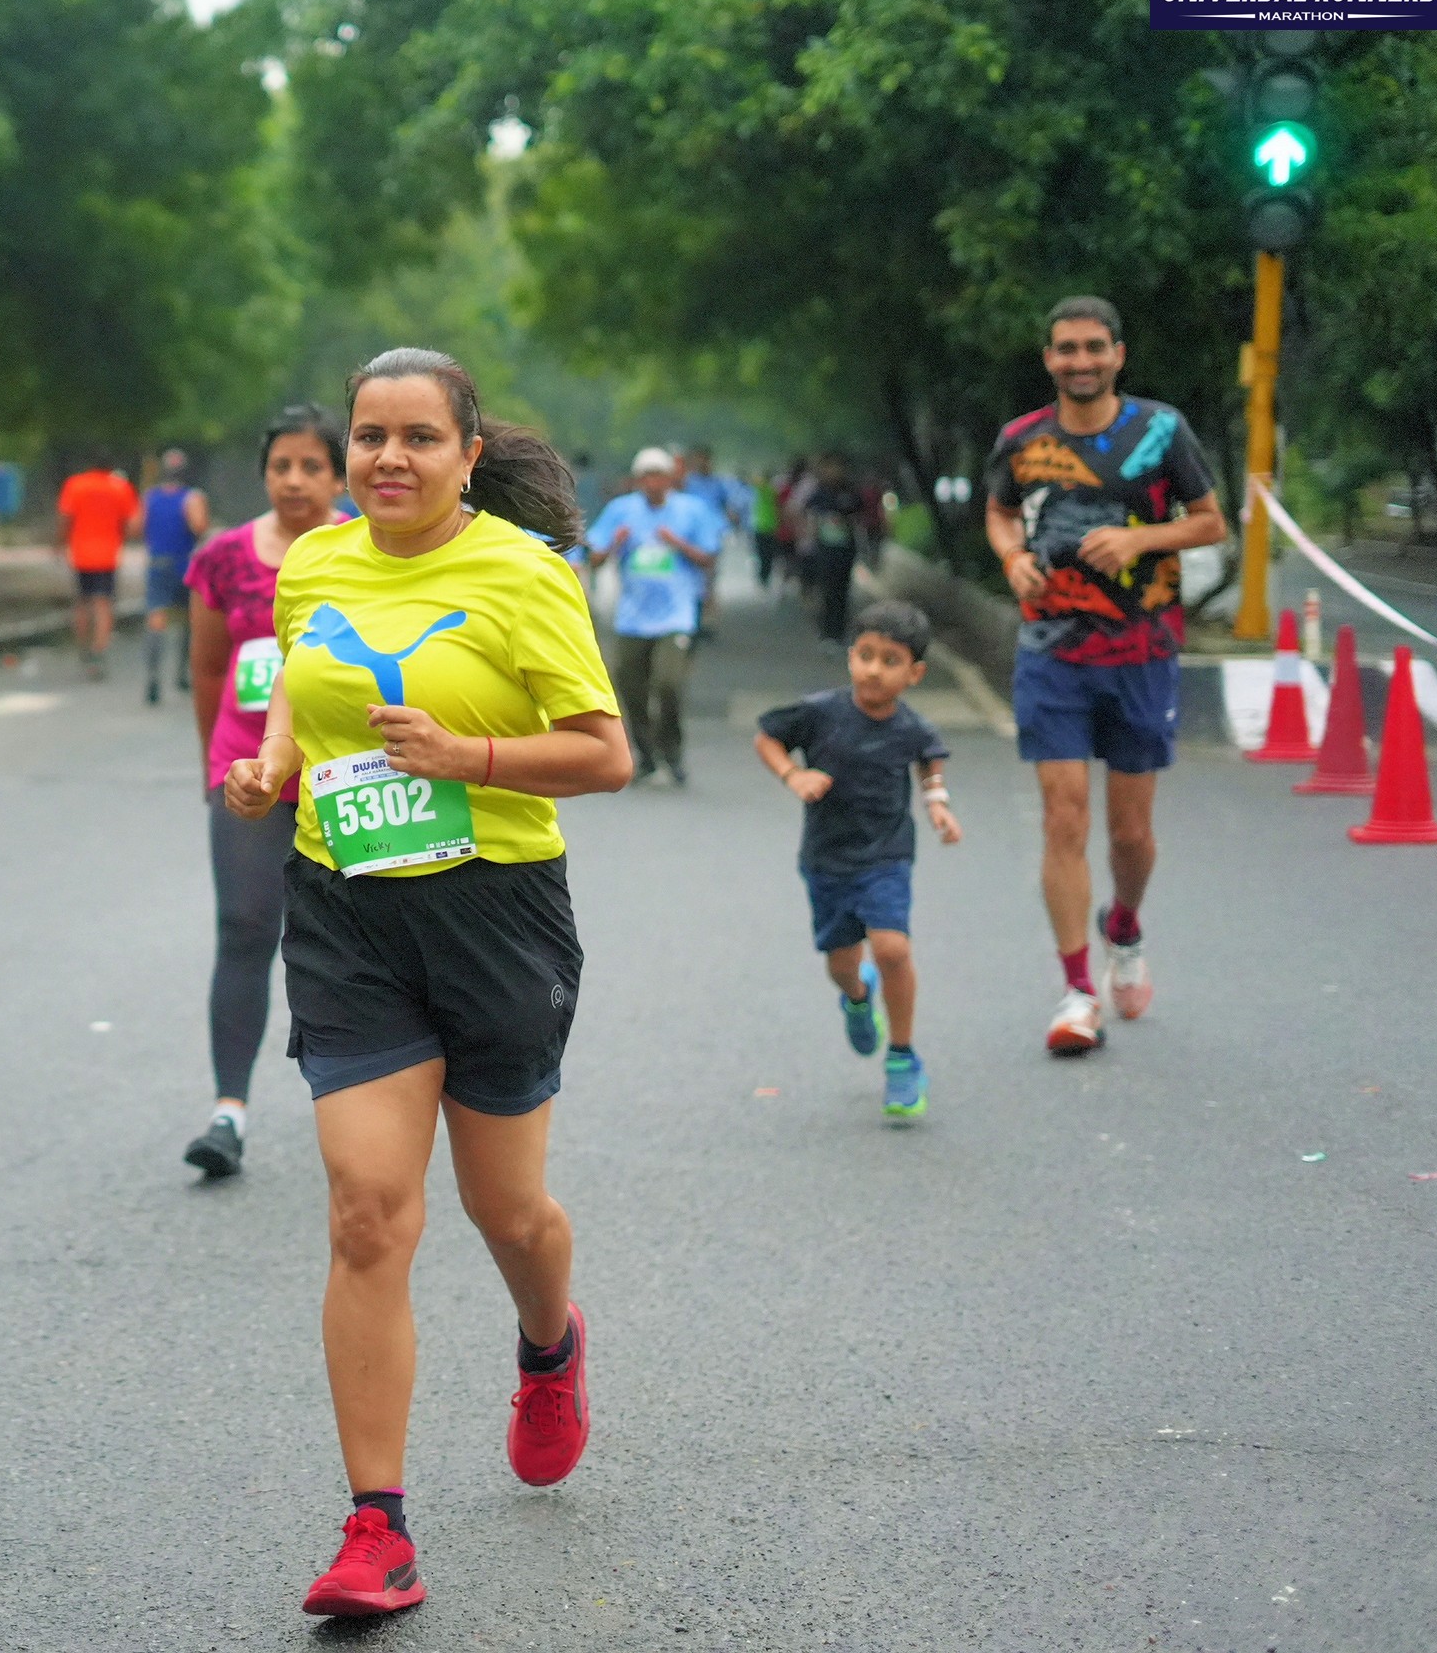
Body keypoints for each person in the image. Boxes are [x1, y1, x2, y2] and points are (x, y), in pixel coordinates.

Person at [222, 348, 629, 1618]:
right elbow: (304, 684)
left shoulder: (524, 574)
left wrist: (470, 755)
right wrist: (274, 764)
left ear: (467, 455)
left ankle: (549, 1345)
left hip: (496, 914)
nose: (388, 458)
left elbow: (605, 755)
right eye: (370, 437)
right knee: (367, 1211)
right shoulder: (314, 563)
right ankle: (376, 1529)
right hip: (348, 914)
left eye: (418, 438)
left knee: (507, 1211)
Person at [983, 296, 1225, 1056]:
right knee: (1063, 818)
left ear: (1118, 354)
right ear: (1048, 358)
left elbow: (1211, 521)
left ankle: (1124, 922)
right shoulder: (1021, 439)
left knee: (1131, 834)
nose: (1080, 361)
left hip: (1142, 651)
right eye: (1066, 349)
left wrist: (1138, 541)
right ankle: (1077, 990)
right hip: (1051, 651)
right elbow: (999, 512)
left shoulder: (1161, 431)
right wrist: (1012, 558)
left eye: (1094, 347)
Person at [179, 408, 343, 1177]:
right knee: (245, 927)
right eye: (282, 466)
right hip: (247, 770)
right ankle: (228, 1111)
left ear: (339, 477)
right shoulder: (223, 559)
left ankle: (358, 1102)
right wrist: (215, 769)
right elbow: (210, 669)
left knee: (347, 942)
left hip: (342, 775)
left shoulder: (367, 552)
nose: (295, 481)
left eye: (312, 466)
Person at [752, 601, 964, 1121]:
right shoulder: (820, 713)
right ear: (850, 657)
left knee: (892, 948)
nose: (873, 669)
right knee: (842, 964)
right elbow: (768, 737)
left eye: (890, 661)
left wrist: (937, 804)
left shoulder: (912, 727)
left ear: (914, 673)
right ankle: (856, 995)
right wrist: (793, 776)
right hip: (827, 860)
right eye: (865, 655)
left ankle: (902, 1056)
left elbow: (930, 761)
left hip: (886, 857)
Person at [585, 448, 725, 785]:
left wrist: (677, 543)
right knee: (629, 688)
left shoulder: (690, 510)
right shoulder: (621, 510)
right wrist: (614, 544)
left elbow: (709, 558)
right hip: (632, 618)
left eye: (658, 476)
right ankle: (646, 754)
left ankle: (672, 751)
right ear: (638, 480)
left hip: (676, 616)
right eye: (646, 476)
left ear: (670, 479)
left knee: (668, 684)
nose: (652, 483)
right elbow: (595, 560)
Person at [53, 458, 141, 679]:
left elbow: (65, 517)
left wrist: (60, 543)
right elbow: (134, 525)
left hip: (81, 555)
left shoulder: (76, 484)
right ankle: (99, 651)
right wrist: (120, 535)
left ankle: (83, 647)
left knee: (82, 602)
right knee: (103, 604)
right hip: (107, 556)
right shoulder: (120, 487)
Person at [142, 448, 211, 705]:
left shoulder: (150, 497)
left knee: (156, 619)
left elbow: (137, 527)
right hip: (184, 564)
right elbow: (199, 526)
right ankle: (182, 673)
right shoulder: (192, 498)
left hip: (157, 564)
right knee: (188, 620)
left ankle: (153, 676)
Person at [792, 454, 879, 643]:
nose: (833, 471)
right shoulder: (819, 492)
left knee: (842, 589)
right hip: (824, 549)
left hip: (846, 548)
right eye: (829, 467)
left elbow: (861, 513)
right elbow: (804, 511)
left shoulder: (851, 492)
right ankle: (827, 630)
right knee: (827, 589)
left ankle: (839, 630)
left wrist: (847, 521)